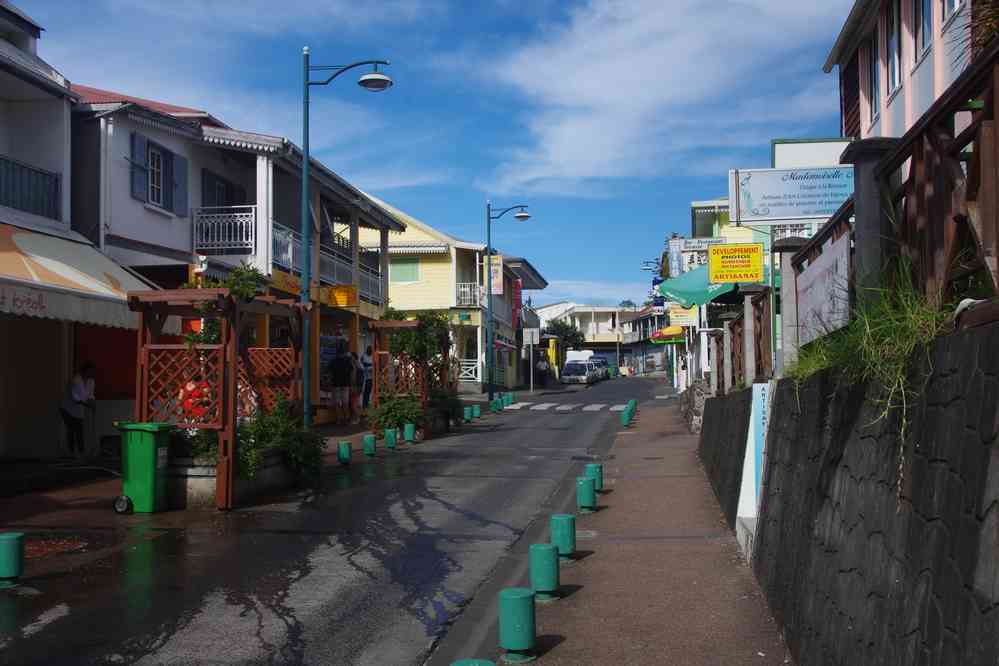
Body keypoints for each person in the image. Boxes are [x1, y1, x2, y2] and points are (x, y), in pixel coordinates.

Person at [60, 361, 96, 459]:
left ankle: (81, 453)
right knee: (72, 429)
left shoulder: (91, 381)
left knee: (79, 430)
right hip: (67, 408)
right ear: (85, 371)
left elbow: (90, 395)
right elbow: (76, 398)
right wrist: (88, 404)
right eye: (90, 371)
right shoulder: (76, 380)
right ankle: (72, 453)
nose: (92, 374)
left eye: (93, 372)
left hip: (78, 410)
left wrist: (92, 402)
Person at [330, 341, 353, 426]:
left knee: (337, 403)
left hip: (336, 384)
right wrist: (352, 383)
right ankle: (346, 418)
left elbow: (328, 371)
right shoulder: (347, 361)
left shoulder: (333, 361)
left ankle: (339, 419)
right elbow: (351, 371)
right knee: (345, 402)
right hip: (346, 384)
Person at [361, 345, 374, 409]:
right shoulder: (364, 356)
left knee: (370, 391)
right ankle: (364, 405)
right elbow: (364, 364)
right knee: (366, 392)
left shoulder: (373, 356)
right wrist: (370, 365)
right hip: (366, 377)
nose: (370, 351)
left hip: (372, 376)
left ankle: (368, 404)